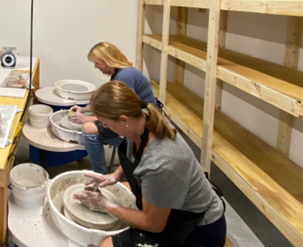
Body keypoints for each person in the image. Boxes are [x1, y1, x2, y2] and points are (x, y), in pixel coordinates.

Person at [74, 81, 226, 247]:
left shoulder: (161, 161)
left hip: (195, 228)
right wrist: (114, 176)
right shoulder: (142, 119)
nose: (103, 127)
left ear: (123, 119)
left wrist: (105, 205)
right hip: (171, 203)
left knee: (106, 245)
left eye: (106, 123)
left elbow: (154, 224)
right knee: (114, 192)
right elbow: (137, 158)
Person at [70, 42, 157, 174]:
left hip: (143, 125)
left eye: (97, 63)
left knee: (88, 130)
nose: (95, 67)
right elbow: (111, 103)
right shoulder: (121, 72)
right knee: (89, 126)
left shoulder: (124, 76)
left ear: (107, 60)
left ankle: (99, 173)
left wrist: (87, 118)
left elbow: (121, 112)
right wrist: (85, 109)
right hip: (138, 117)